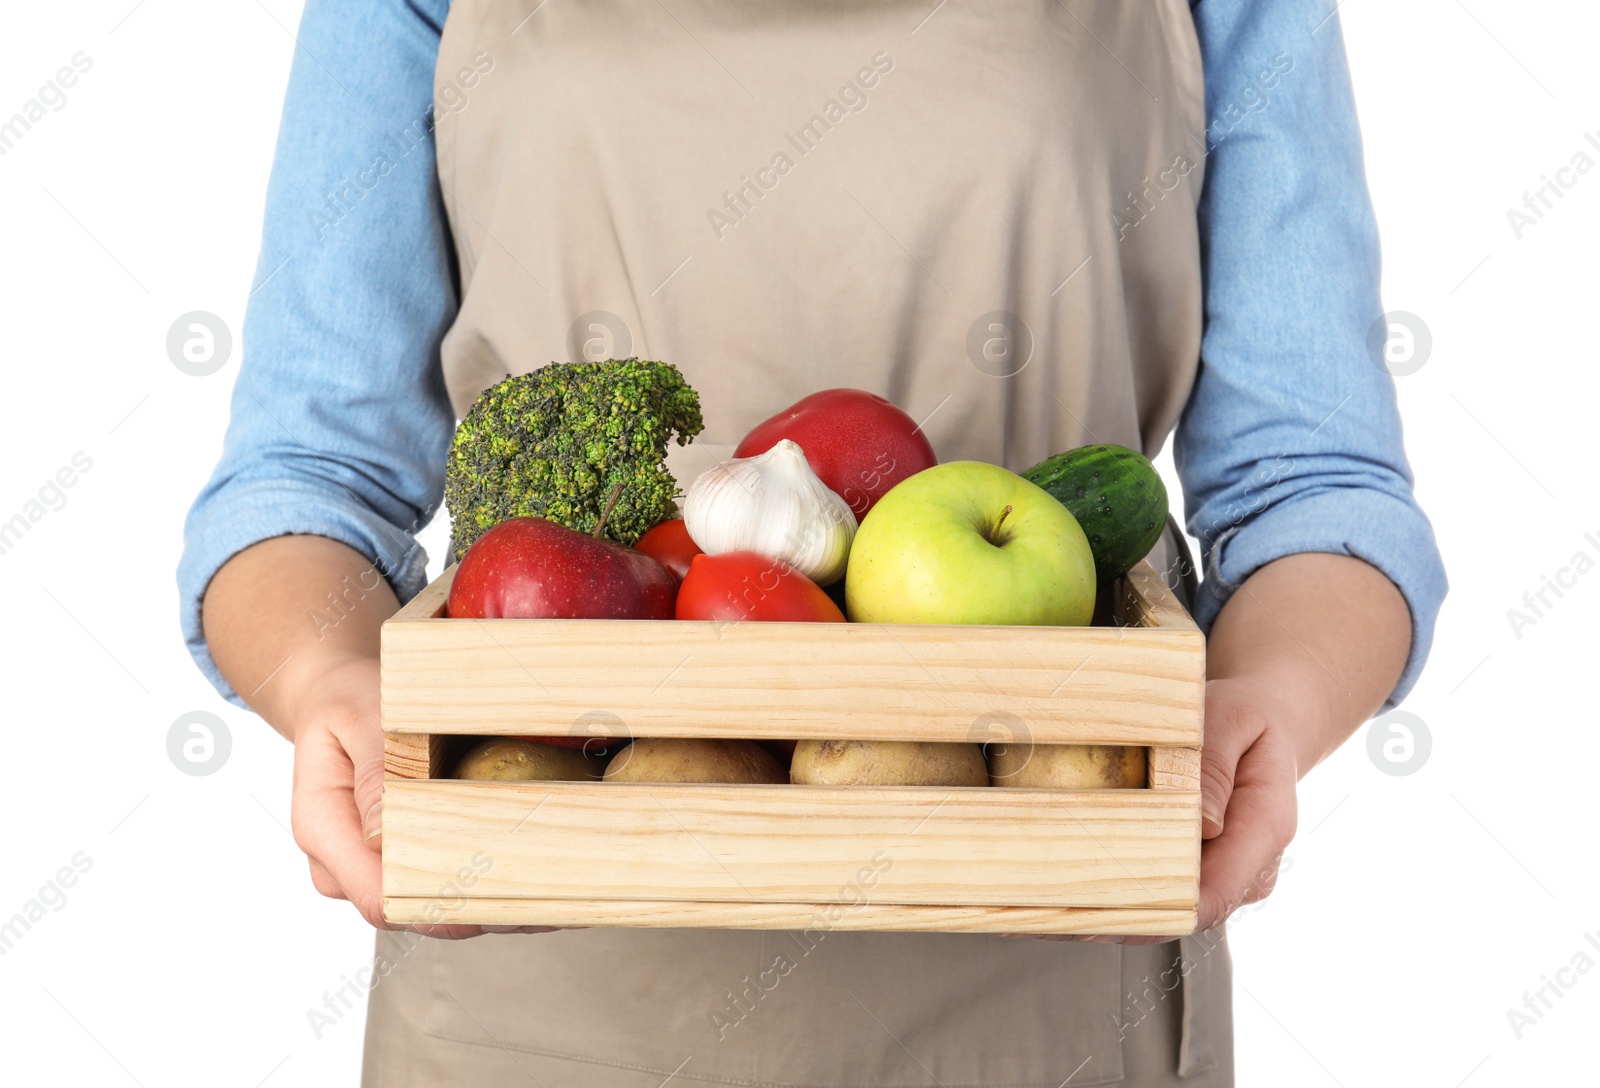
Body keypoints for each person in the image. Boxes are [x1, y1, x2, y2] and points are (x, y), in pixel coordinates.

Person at [179, 0, 1447, 1084]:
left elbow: (1314, 480)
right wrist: (323, 680)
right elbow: (306, 476)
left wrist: (1269, 702)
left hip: (1053, 993)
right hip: (535, 1004)